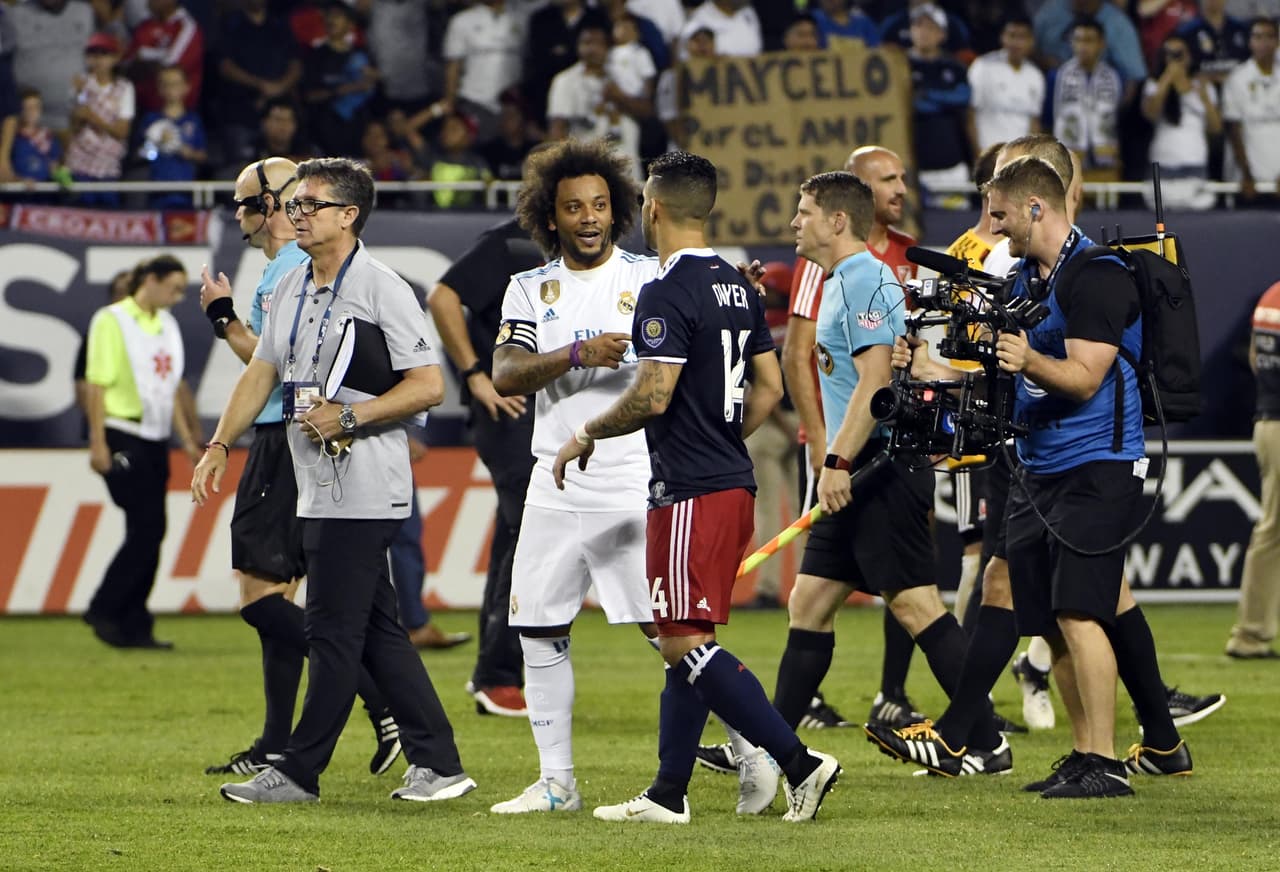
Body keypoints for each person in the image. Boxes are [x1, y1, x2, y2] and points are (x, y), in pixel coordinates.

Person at [872, 153, 1198, 796]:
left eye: (1001, 213)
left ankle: (1104, 763)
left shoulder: (1098, 275)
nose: (993, 226)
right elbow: (996, 379)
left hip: (1099, 464)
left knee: (1083, 613)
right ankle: (1088, 753)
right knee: (1047, 617)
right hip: (1039, 466)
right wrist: (924, 368)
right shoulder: (1025, 279)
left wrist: (1026, 360)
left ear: (1035, 207)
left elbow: (1083, 377)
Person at [554, 150, 840, 824]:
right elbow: (768, 388)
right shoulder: (740, 287)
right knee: (686, 638)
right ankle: (667, 793)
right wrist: (720, 435)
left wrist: (589, 431)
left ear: (652, 209)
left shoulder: (666, 289)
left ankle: (798, 762)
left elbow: (654, 394)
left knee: (682, 640)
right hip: (730, 485)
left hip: (687, 490)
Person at [193, 157, 474, 804]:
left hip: (367, 482)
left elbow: (428, 385)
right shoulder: (292, 285)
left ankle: (298, 771)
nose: (296, 214)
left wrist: (351, 413)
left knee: (330, 629)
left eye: (309, 205)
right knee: (377, 630)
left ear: (348, 216)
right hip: (316, 476)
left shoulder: (382, 288)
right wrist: (218, 443)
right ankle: (440, 762)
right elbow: (260, 373)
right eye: (293, 205)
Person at [484, 138, 663, 815]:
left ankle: (748, 746)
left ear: (615, 210)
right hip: (552, 481)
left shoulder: (650, 278)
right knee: (538, 628)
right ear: (549, 217)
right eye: (572, 208)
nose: (587, 217)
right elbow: (506, 373)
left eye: (598, 205)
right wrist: (577, 352)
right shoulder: (530, 289)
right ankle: (556, 782)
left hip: (632, 477)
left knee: (670, 633)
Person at [778, 144, 924, 733]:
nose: (901, 188)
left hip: (872, 462)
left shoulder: (872, 271)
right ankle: (769, 745)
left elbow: (876, 378)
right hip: (850, 457)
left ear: (837, 218)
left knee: (918, 605)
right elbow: (808, 356)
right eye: (887, 178)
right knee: (809, 603)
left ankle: (978, 732)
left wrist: (835, 456)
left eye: (804, 211)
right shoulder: (834, 274)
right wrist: (822, 445)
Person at [427, 215, 542, 718]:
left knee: (518, 537)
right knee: (531, 534)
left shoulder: (587, 255)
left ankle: (500, 672)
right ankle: (499, 675)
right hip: (511, 411)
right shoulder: (511, 242)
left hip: (553, 415)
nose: (590, 213)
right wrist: (474, 374)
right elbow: (442, 297)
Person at [84, 254, 203, 649]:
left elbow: (169, 390)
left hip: (154, 438)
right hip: (122, 432)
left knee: (149, 530)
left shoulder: (166, 325)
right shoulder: (111, 320)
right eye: (173, 287)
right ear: (149, 280)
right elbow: (96, 383)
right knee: (149, 527)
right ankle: (105, 607)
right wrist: (97, 441)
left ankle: (134, 625)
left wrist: (186, 439)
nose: (178, 296)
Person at [1226, 279, 1280, 660]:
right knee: (1272, 531)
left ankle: (1252, 632)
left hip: (1268, 421)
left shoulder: (1270, 296)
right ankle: (1250, 634)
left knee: (1272, 530)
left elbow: (1253, 359)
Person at [1140, 33, 1222, 211]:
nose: (1175, 58)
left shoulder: (1203, 86)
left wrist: (1204, 98)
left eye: (1179, 53)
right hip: (1163, 163)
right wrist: (1167, 79)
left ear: (1190, 56)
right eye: (1169, 53)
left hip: (1195, 162)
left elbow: (1216, 128)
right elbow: (1150, 115)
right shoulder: (1154, 84)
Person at [1222, 17, 1280, 205]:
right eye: (1258, 37)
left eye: (1270, 37)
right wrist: (1246, 174)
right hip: (1250, 182)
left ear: (1277, 41)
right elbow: (1233, 130)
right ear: (1250, 42)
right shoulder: (1238, 78)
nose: (1264, 43)